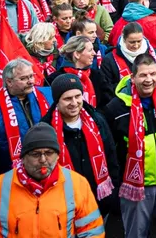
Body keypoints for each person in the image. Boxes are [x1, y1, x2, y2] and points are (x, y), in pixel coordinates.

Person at [103, 53, 156, 238]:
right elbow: (110, 150)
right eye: (143, 75)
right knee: (136, 233)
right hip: (136, 184)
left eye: (152, 74)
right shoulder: (115, 108)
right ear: (132, 77)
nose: (148, 79)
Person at [0, 122, 105, 238]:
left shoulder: (78, 184)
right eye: (35, 154)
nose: (43, 160)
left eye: (49, 153)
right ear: (23, 158)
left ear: (57, 156)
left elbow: (92, 230)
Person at [43, 73, 118, 213]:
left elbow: (111, 154)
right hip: (64, 204)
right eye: (67, 98)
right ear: (57, 101)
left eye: (77, 96)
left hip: (99, 197)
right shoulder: (46, 129)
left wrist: (114, 188)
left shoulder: (97, 120)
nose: (74, 102)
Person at [0, 58, 53, 175]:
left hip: (49, 166)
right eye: (23, 78)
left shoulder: (48, 95)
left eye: (31, 76)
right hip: (11, 173)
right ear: (9, 82)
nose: (31, 81)